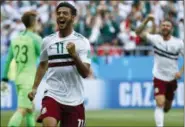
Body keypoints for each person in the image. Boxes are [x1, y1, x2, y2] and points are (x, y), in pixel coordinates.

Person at [28, 2, 91, 127]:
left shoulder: (82, 42)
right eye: (58, 13)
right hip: (52, 95)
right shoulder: (47, 41)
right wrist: (34, 88)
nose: (61, 15)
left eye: (65, 13)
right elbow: (42, 65)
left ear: (73, 17)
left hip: (75, 100)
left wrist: (74, 55)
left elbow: (85, 73)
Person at [135, 14, 184, 127]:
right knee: (159, 103)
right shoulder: (155, 38)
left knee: (166, 108)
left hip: (172, 78)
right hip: (158, 76)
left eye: (168, 26)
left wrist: (180, 72)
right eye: (163, 25)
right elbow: (137, 32)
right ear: (160, 27)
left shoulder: (178, 43)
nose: (165, 27)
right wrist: (147, 19)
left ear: (171, 29)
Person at [1, 11, 42, 126]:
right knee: (23, 109)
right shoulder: (36, 39)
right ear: (34, 23)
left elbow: (8, 61)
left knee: (30, 109)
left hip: (18, 80)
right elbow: (45, 58)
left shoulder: (15, 39)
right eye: (37, 21)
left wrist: (4, 78)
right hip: (29, 80)